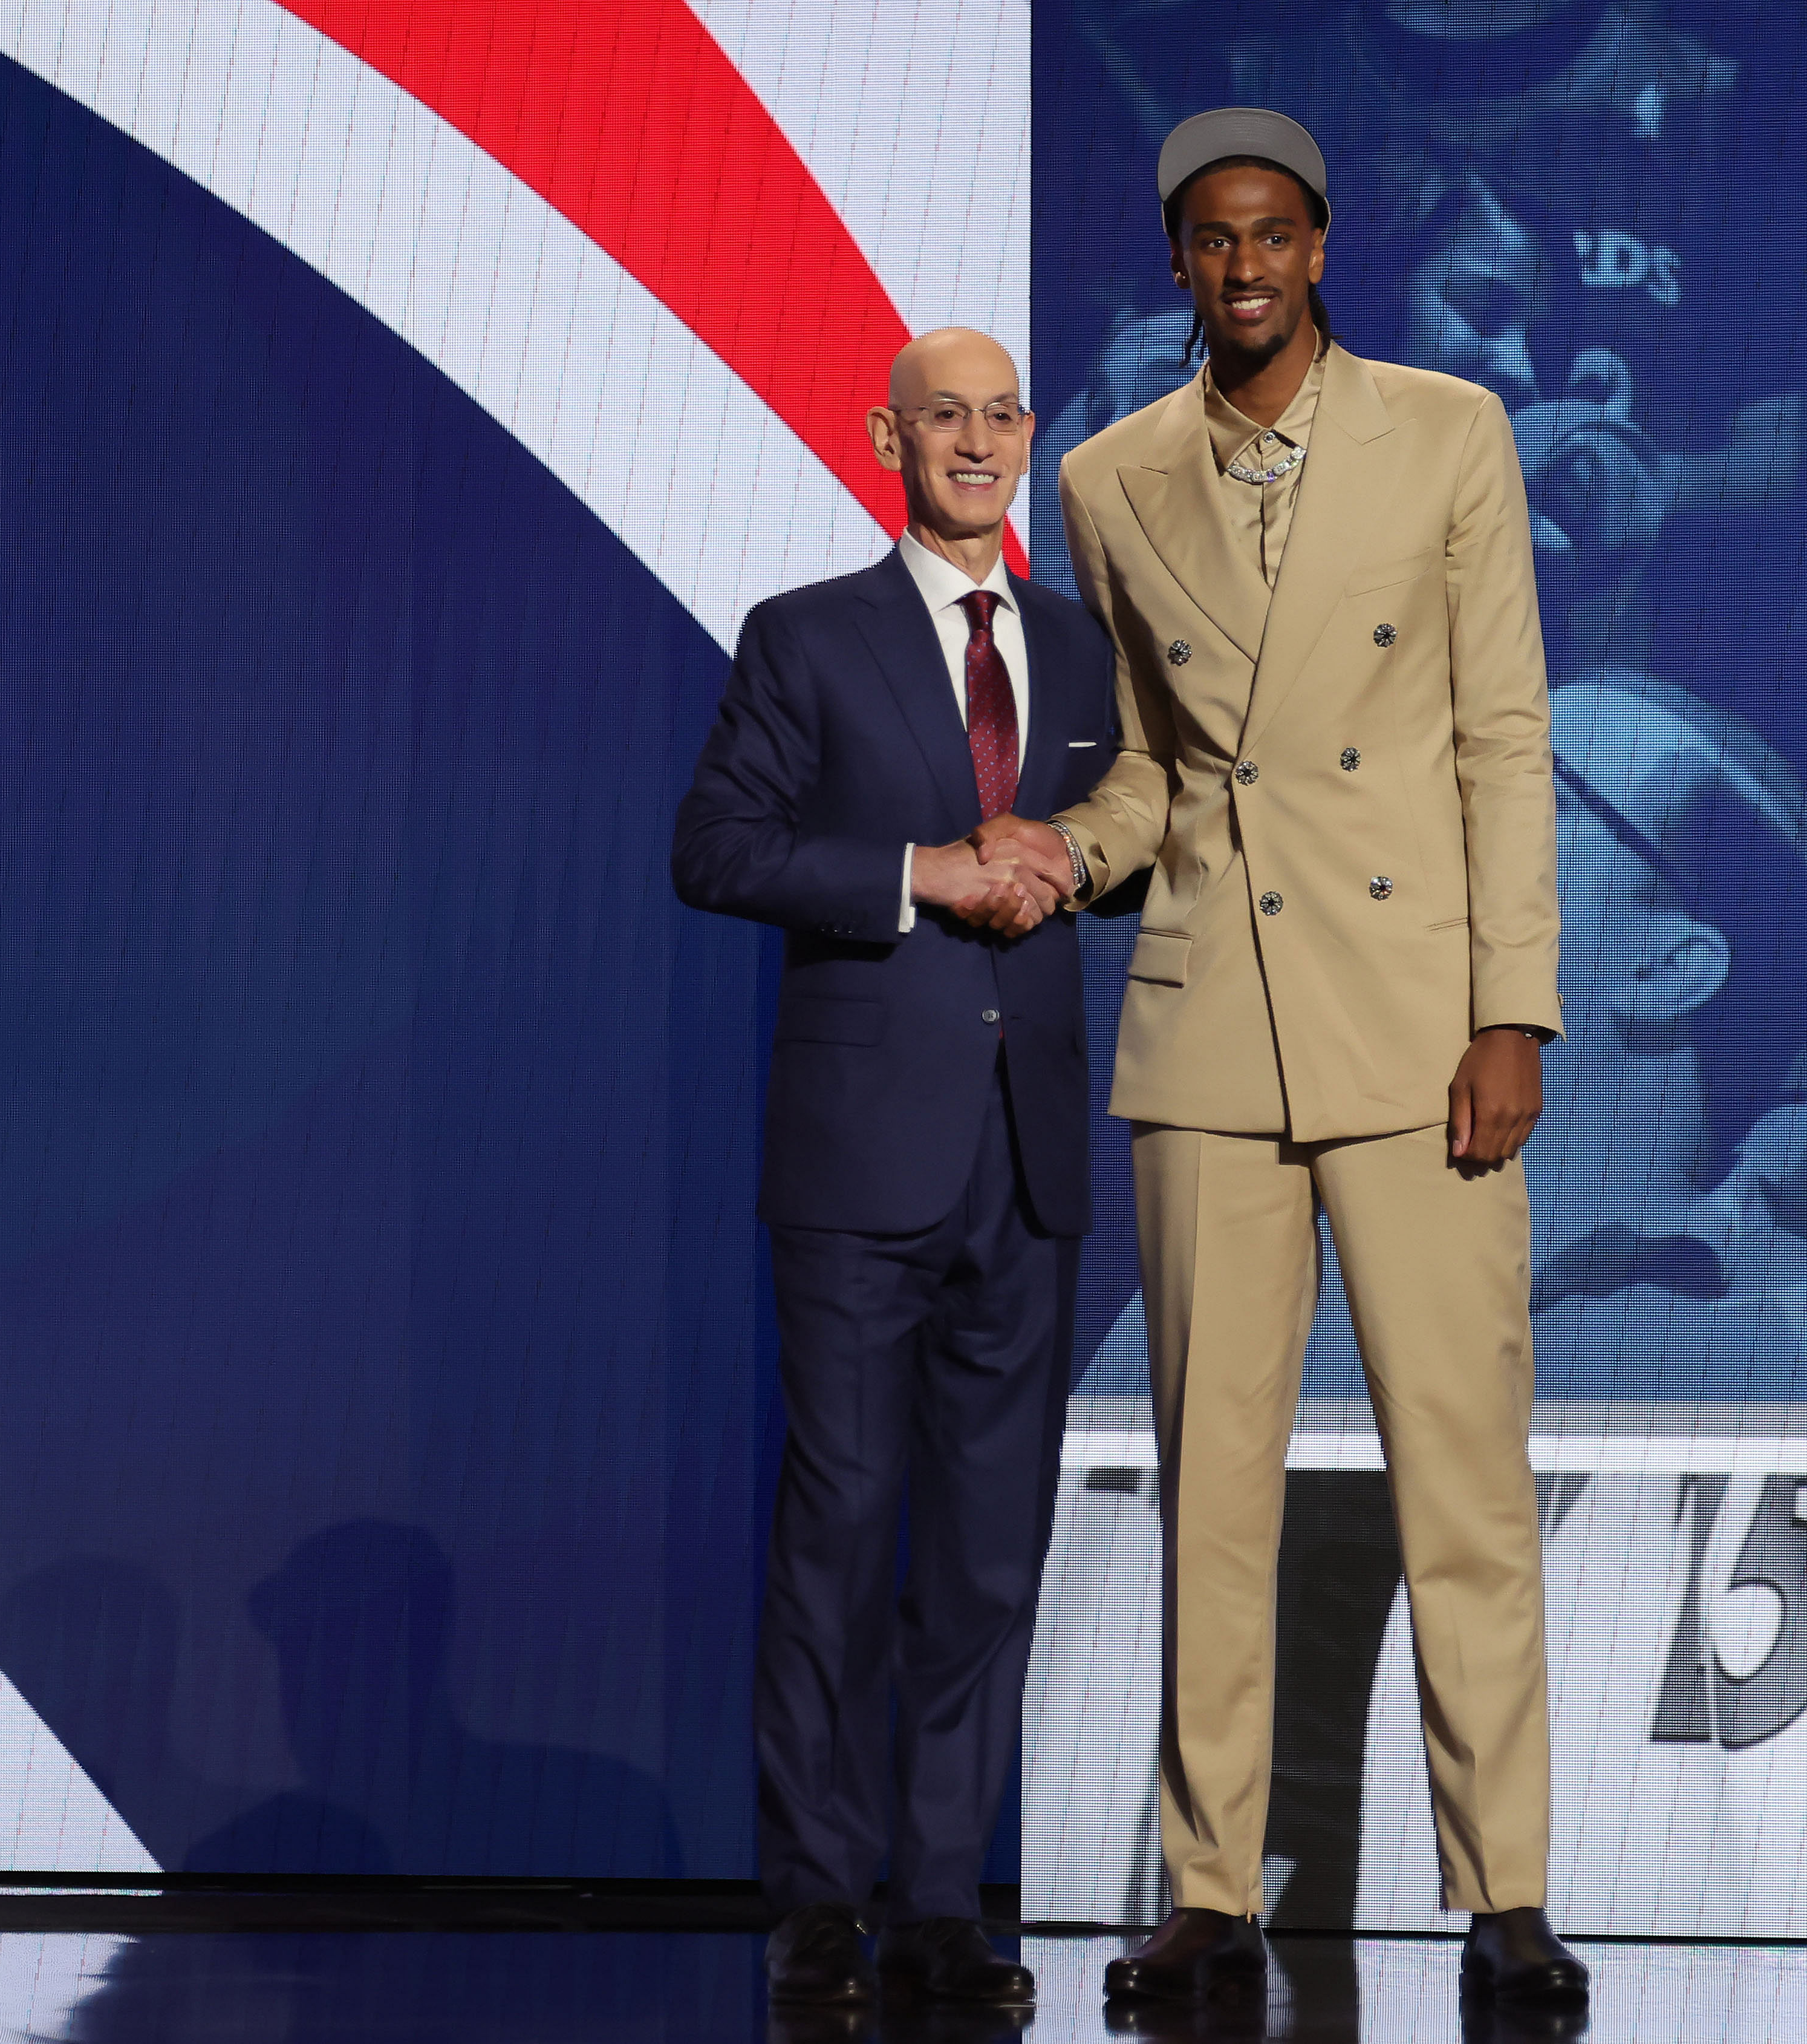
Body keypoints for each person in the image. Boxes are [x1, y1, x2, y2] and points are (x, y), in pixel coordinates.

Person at [978, 108, 1587, 2010]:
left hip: (1419, 1025)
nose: (1240, 267)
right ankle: (1212, 1896)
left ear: (1320, 247)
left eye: (1271, 236)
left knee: (1462, 1478)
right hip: (1209, 1032)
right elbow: (1163, 768)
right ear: (1176, 264)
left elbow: (1503, 730)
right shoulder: (1106, 475)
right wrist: (1061, 853)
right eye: (1207, 242)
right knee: (1210, 1483)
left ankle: (1507, 1903)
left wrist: (1514, 1009)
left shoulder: (1450, 431)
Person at [669, 330, 1116, 2010]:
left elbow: (1122, 854)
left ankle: (939, 1898)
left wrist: (1073, 855)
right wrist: (917, 871)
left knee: (990, 1554)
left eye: (1006, 415)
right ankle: (815, 1895)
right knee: (844, 1530)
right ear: (890, 437)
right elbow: (713, 846)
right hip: (862, 1162)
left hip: (1029, 1165)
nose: (982, 441)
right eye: (950, 416)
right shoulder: (808, 636)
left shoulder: (1077, 653)